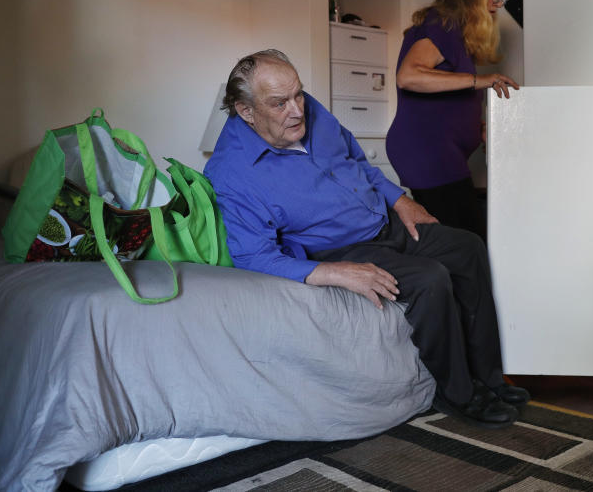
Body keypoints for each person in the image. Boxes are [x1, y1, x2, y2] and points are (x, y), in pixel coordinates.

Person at [204, 49, 529, 428]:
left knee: (468, 246)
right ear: (246, 111)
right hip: (342, 247)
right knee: (430, 278)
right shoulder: (231, 172)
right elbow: (251, 257)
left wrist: (400, 199)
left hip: (384, 220)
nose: (296, 110)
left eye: (298, 94)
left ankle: (489, 377)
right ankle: (458, 393)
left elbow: (357, 162)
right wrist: (334, 272)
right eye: (279, 103)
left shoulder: (309, 110)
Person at [386, 0, 519, 241]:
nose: (497, 2)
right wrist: (481, 80)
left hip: (438, 152)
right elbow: (408, 76)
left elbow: (447, 94)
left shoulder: (456, 33)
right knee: (466, 241)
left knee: (459, 239)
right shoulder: (442, 24)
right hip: (427, 152)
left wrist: (478, 126)